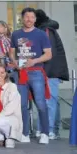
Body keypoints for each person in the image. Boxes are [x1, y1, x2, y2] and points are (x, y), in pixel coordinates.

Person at [9, 7, 53, 144]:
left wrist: (34, 61)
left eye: (32, 17)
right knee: (22, 105)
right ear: (22, 18)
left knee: (40, 103)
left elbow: (48, 54)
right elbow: (11, 51)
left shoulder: (41, 34)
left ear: (35, 19)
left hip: (36, 72)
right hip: (20, 72)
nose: (29, 19)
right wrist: (14, 62)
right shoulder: (16, 34)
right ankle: (25, 133)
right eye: (26, 17)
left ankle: (45, 133)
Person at [36, 9, 68, 140]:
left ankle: (48, 130)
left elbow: (49, 54)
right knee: (49, 101)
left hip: (49, 71)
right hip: (52, 71)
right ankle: (50, 129)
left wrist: (44, 71)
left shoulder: (45, 31)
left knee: (48, 101)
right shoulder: (48, 29)